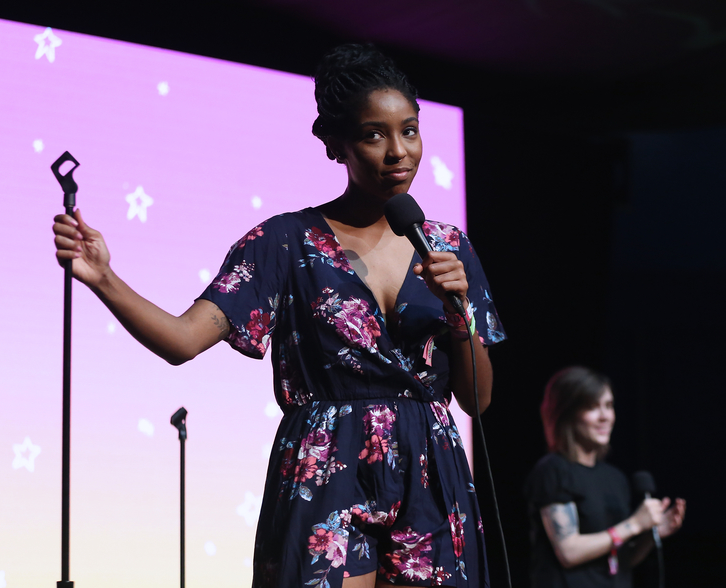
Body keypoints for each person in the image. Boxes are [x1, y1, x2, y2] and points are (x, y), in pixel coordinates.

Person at [52, 44, 505, 588]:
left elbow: (476, 401)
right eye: (373, 135)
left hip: (431, 469)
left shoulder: (448, 248)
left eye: (409, 131)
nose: (397, 152)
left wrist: (460, 315)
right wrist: (104, 278)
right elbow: (181, 340)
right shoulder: (283, 242)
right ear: (335, 145)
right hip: (326, 464)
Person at [524, 366, 686, 588]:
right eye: (592, 407)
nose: (605, 417)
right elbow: (568, 552)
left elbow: (621, 558)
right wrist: (635, 524)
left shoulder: (615, 478)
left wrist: (652, 533)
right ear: (567, 413)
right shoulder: (553, 471)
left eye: (609, 406)